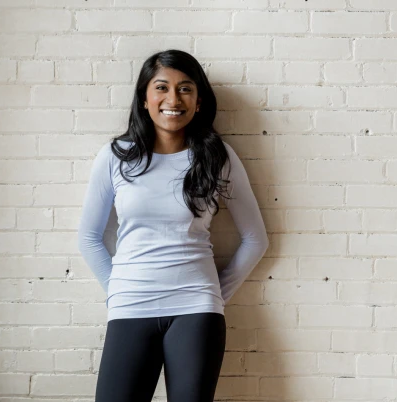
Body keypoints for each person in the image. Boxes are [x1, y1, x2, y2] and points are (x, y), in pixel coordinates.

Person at [77, 50, 269, 402]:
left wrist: (212, 296)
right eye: (162, 87)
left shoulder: (216, 156)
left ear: (198, 102)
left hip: (196, 310)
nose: (173, 99)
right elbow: (89, 238)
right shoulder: (115, 157)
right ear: (145, 99)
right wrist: (119, 291)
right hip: (130, 306)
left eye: (185, 89)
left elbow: (255, 239)